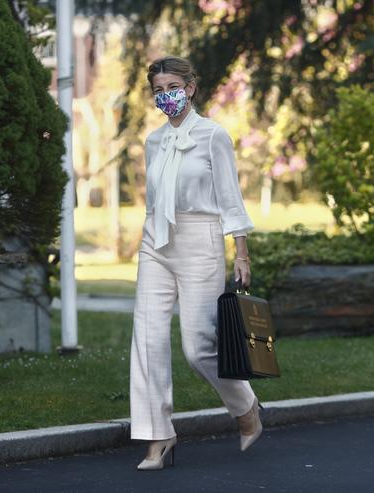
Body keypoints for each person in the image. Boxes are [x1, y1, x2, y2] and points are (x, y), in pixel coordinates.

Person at [129, 55, 263, 471]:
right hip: (156, 242)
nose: (164, 95)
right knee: (147, 342)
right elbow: (155, 200)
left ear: (189, 88)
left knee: (198, 347)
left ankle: (246, 409)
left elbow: (229, 198)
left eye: (171, 87)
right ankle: (158, 437)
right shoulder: (153, 141)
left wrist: (240, 252)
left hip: (200, 241)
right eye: (157, 90)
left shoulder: (212, 136)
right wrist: (148, 239)